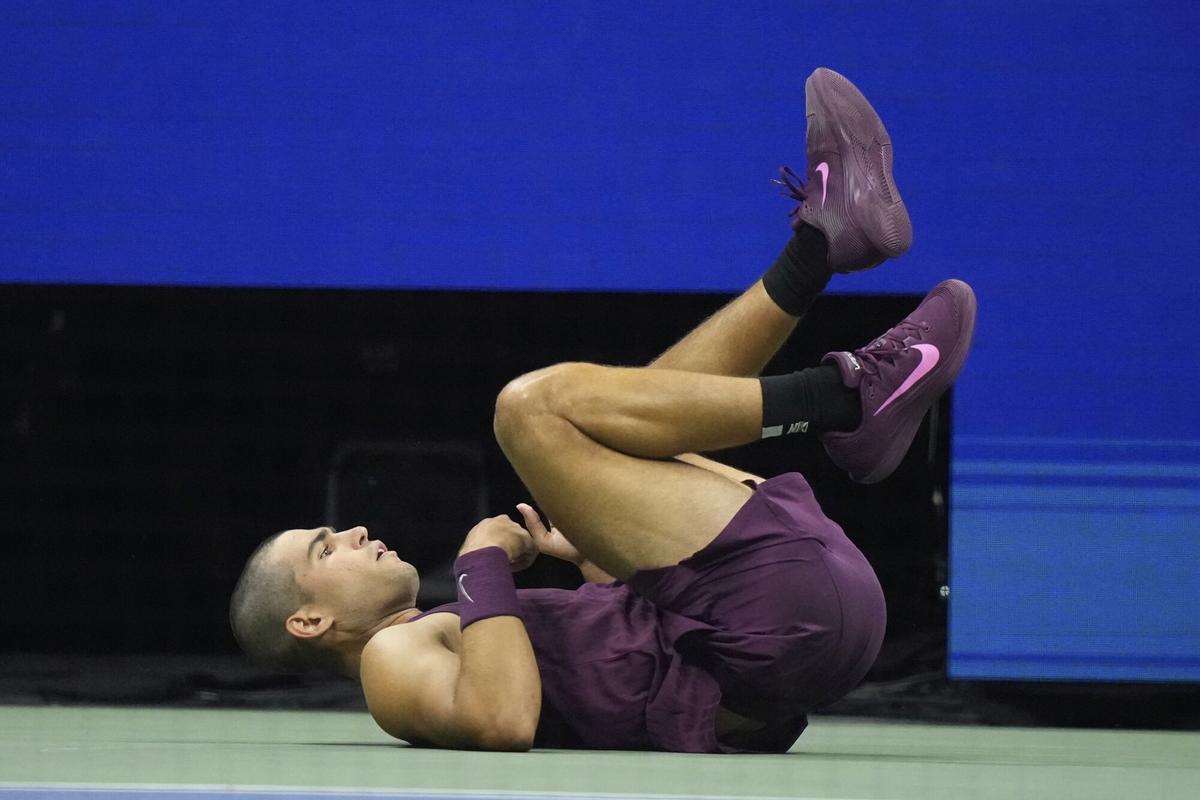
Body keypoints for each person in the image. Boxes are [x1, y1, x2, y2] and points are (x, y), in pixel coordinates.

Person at [229, 67, 976, 753]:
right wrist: (481, 557)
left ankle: (817, 250)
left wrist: (594, 553)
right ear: (310, 621)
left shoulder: (449, 628)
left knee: (639, 418)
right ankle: (844, 397)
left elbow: (618, 677)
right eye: (325, 549)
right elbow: (504, 720)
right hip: (773, 619)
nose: (354, 531)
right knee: (528, 411)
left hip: (804, 622)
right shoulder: (388, 659)